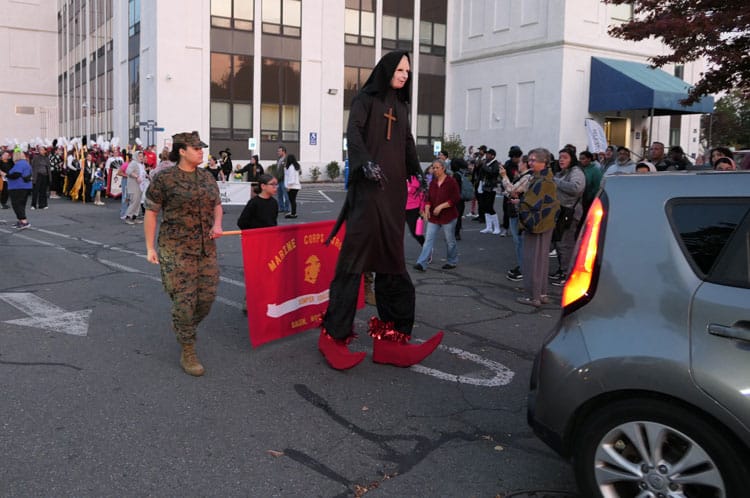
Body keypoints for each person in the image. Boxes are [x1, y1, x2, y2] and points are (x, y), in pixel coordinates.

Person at [320, 50, 443, 370]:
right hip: (368, 193)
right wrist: (364, 163)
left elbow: (406, 142)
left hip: (393, 195)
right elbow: (353, 133)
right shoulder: (364, 100)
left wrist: (417, 172)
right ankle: (332, 337)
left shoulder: (400, 106)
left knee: (393, 263)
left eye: (408, 71)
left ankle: (391, 339)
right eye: (400, 69)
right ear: (387, 69)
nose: (404, 75)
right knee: (352, 266)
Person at [144, 131, 223, 377]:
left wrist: (217, 224)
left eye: (201, 148)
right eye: (196, 148)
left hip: (206, 248)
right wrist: (150, 247)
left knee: (206, 299)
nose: (201, 152)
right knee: (184, 301)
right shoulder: (165, 178)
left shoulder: (207, 177)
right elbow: (151, 212)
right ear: (182, 151)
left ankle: (182, 325)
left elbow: (217, 205)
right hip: (176, 250)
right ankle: (188, 348)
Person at [516, 148, 559, 307]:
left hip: (536, 224)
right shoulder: (548, 178)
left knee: (532, 260)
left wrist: (519, 204)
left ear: (544, 162)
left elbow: (531, 203)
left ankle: (532, 296)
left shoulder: (541, 181)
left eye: (534, 160)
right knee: (541, 260)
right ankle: (541, 293)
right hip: (546, 223)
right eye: (530, 160)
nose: (530, 162)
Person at [413, 159, 460, 272]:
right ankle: (422, 263)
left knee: (450, 241)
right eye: (433, 167)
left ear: (443, 168)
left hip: (448, 216)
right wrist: (427, 208)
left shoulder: (451, 181)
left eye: (437, 167)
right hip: (434, 217)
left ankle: (452, 261)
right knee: (428, 240)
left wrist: (441, 206)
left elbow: (456, 198)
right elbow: (429, 198)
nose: (434, 170)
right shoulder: (433, 183)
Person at [550, 147, 585, 287]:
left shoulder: (576, 172)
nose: (561, 160)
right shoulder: (561, 173)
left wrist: (556, 181)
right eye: (560, 157)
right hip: (560, 211)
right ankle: (562, 269)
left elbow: (576, 188)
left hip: (570, 212)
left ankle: (567, 273)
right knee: (559, 242)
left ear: (572, 159)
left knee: (566, 244)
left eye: (565, 157)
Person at [500, 155, 533, 282]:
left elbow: (512, 190)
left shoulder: (527, 177)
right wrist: (510, 191)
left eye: (520, 163)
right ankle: (521, 265)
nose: (518, 165)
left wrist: (504, 176)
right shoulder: (521, 176)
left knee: (520, 241)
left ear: (525, 164)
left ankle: (523, 268)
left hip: (519, 211)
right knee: (518, 241)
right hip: (514, 210)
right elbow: (510, 192)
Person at [6, 149, 33, 229]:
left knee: (17, 204)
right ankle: (21, 220)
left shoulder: (20, 164)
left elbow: (16, 175)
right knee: (21, 204)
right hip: (24, 186)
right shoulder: (25, 163)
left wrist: (5, 175)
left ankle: (24, 221)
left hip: (18, 187)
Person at [477, 148, 501, 234]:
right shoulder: (486, 163)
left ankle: (497, 227)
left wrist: (484, 166)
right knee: (485, 207)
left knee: (490, 207)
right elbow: (481, 174)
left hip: (491, 188)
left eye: (488, 154)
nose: (486, 155)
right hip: (484, 187)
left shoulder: (495, 164)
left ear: (492, 156)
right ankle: (489, 227)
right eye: (486, 154)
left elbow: (493, 173)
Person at [124, 151, 145, 224]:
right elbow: (128, 171)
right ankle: (128, 217)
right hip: (134, 185)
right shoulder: (133, 163)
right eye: (140, 156)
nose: (141, 157)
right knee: (134, 201)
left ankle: (134, 217)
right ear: (136, 156)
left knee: (138, 202)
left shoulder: (141, 164)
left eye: (142, 156)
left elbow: (142, 173)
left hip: (140, 186)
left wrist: (147, 176)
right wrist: (137, 176)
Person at [30, 145, 51, 210]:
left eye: (42, 150)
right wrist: (32, 175)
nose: (40, 151)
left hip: (45, 175)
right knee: (35, 191)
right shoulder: (36, 157)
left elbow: (48, 168)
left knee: (43, 191)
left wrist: (49, 177)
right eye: (40, 150)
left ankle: (43, 205)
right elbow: (32, 166)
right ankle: (33, 205)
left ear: (45, 151)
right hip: (37, 175)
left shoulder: (47, 158)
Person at [284, 153, 301, 219]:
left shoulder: (291, 167)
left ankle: (293, 214)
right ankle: (293, 212)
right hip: (296, 186)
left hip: (292, 186)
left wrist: (289, 186)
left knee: (292, 200)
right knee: (293, 200)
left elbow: (291, 178)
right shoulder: (296, 166)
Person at [275, 146, 290, 213]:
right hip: (279, 180)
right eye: (278, 151)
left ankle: (287, 208)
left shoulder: (287, 159)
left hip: (284, 180)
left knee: (286, 195)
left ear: (283, 152)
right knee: (279, 195)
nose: (278, 152)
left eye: (279, 151)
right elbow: (277, 169)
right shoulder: (278, 159)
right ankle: (281, 208)